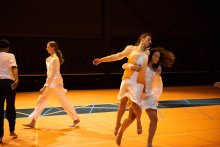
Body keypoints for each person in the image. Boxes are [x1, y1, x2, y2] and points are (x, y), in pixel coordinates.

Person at [93, 33, 152, 135]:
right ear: (142, 39)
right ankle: (117, 123)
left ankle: (139, 121)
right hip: (127, 79)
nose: (150, 42)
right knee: (123, 102)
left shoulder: (147, 52)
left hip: (138, 82)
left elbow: (145, 68)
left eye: (150, 41)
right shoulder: (130, 48)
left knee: (135, 104)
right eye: (148, 39)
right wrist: (102, 60)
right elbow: (118, 56)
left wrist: (146, 84)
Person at [117, 47, 175, 146]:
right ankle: (120, 133)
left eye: (158, 57)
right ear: (150, 55)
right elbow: (131, 74)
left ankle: (149, 143)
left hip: (148, 96)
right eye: (155, 56)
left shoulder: (156, 69)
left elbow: (157, 83)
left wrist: (156, 95)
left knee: (154, 119)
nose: (157, 58)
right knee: (131, 119)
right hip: (138, 94)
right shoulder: (142, 65)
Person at [23, 41, 80, 128]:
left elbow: (53, 74)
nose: (46, 48)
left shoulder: (55, 59)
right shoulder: (49, 59)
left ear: (53, 48)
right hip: (51, 82)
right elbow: (49, 74)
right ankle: (33, 121)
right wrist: (46, 85)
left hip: (56, 83)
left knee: (63, 101)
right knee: (41, 100)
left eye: (48, 47)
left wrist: (44, 86)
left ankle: (76, 119)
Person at [0, 39, 19, 143]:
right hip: (8, 83)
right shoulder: (10, 55)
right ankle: (12, 131)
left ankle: (0, 136)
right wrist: (17, 79)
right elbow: (14, 67)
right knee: (11, 106)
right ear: (7, 48)